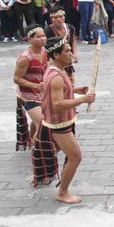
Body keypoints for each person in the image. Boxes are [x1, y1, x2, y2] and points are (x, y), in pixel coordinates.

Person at [31, 36, 95, 204]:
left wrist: (76, 90)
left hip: (58, 121)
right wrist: (83, 99)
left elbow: (60, 90)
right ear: (56, 55)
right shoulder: (56, 77)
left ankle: (39, 173)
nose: (71, 54)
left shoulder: (57, 70)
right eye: (67, 51)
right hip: (59, 123)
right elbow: (58, 104)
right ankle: (62, 192)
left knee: (53, 150)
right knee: (75, 156)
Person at [13, 25, 48, 150]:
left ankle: (33, 142)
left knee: (37, 121)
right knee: (43, 124)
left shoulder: (45, 51)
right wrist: (35, 85)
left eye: (43, 36)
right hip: (29, 96)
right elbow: (17, 78)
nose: (43, 39)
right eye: (39, 37)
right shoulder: (25, 58)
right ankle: (36, 150)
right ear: (30, 39)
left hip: (42, 94)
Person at [44, 6, 78, 80]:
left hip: (67, 61)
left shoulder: (70, 28)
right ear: (51, 18)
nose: (59, 19)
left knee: (70, 84)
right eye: (55, 17)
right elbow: (44, 47)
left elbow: (73, 41)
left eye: (60, 16)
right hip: (54, 63)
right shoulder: (48, 31)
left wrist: (75, 53)